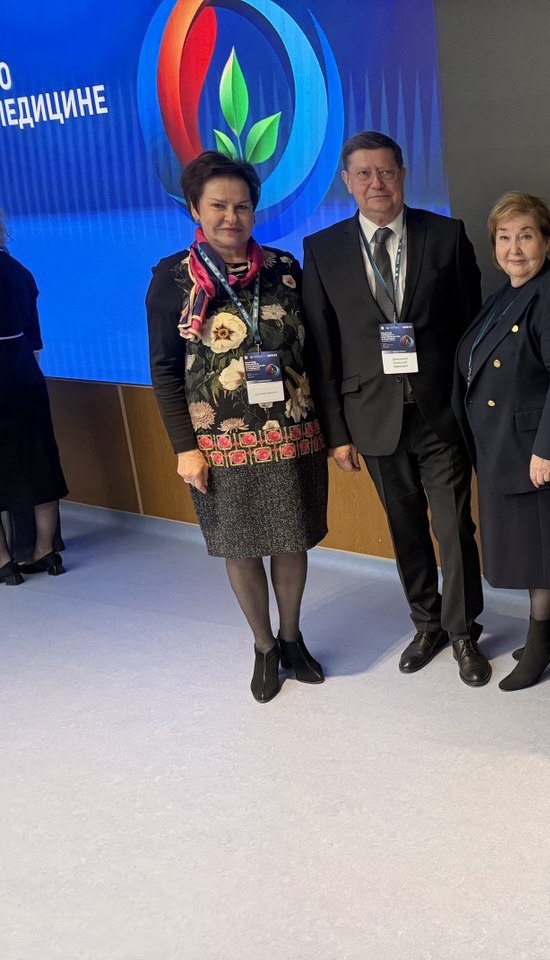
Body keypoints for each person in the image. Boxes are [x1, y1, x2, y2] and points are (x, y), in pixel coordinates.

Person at [301, 131, 488, 687]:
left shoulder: (446, 235)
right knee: (404, 528)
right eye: (363, 174)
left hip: (440, 412)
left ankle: (463, 632)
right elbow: (322, 349)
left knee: (454, 528)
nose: (376, 183)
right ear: (347, 181)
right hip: (371, 416)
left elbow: (472, 329)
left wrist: (471, 406)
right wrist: (337, 433)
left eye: (386, 171)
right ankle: (427, 625)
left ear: (403, 175)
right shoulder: (323, 249)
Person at [146, 152, 329, 703]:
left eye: (242, 206)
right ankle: (264, 646)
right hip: (219, 445)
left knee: (291, 540)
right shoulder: (173, 278)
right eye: (218, 206)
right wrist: (185, 448)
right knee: (241, 545)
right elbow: (164, 370)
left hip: (291, 433)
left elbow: (314, 352)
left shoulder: (284, 268)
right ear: (195, 210)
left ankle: (292, 639)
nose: (232, 217)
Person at [451, 193, 550, 690]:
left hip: (535, 451)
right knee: (532, 548)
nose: (514, 248)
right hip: (504, 448)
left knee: (542, 554)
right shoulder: (506, 295)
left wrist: (549, 449)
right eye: (504, 237)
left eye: (526, 236)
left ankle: (541, 645)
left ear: (547, 240)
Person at [0, 209, 68, 585]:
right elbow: (35, 339)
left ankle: (4, 562)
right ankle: (47, 552)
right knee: (40, 460)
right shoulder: (20, 271)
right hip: (26, 375)